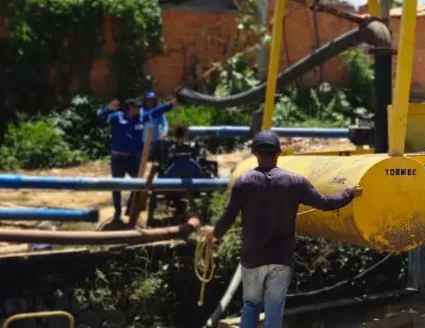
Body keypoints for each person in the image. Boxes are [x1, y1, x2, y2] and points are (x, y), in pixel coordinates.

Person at [202, 132, 363, 328]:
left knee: (251, 305)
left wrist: (214, 233)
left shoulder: (243, 182)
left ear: (254, 153)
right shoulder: (295, 181)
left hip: (252, 258)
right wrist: (349, 193)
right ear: (279, 152)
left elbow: (228, 216)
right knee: (274, 310)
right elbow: (326, 203)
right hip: (281, 258)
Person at [98, 96, 175, 222]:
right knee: (116, 186)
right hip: (118, 158)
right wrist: (108, 108)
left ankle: (130, 207)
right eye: (137, 108)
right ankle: (117, 212)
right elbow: (101, 117)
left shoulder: (141, 117)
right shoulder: (116, 117)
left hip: (134, 159)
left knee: (138, 184)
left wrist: (170, 104)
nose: (140, 110)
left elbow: (155, 113)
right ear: (130, 108)